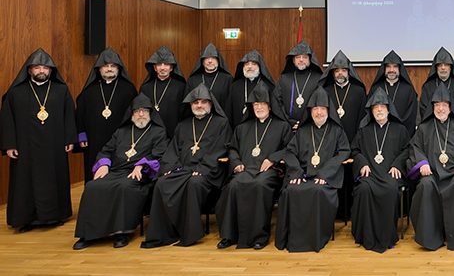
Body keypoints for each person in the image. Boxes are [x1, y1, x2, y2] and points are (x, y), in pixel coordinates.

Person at [73, 94, 169, 249]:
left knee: (125, 186)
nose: (141, 114)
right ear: (131, 113)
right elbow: (106, 150)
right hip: (116, 170)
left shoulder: (158, 132)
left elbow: (160, 155)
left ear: (151, 113)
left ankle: (122, 233)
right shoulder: (122, 131)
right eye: (137, 111)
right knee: (92, 187)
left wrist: (141, 165)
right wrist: (103, 164)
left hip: (140, 173)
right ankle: (88, 234)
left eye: (144, 111)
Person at [141, 84, 231, 248]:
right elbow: (173, 150)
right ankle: (164, 233)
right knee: (161, 183)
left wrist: (202, 169)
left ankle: (190, 233)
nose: (199, 105)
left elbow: (221, 149)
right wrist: (170, 167)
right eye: (195, 102)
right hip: (182, 170)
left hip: (208, 172)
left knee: (194, 184)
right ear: (190, 105)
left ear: (210, 104)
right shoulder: (183, 125)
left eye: (203, 102)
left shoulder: (221, 123)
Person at [0, 48, 77, 232]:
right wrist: (9, 144)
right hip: (25, 148)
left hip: (54, 146)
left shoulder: (61, 90)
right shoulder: (16, 92)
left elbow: (69, 116)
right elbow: (7, 120)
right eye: (37, 67)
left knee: (54, 179)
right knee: (25, 182)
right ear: (29, 70)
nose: (42, 71)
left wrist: (69, 139)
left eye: (45, 67)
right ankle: (24, 219)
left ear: (51, 70)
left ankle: (54, 216)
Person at [216, 81, 291, 249]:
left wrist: (272, 158)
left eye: (262, 104)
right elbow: (232, 149)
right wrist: (236, 163)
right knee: (233, 186)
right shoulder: (242, 128)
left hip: (270, 172)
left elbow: (291, 149)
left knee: (259, 185)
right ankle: (229, 235)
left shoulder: (282, 126)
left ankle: (259, 237)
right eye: (255, 104)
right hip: (245, 169)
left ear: (270, 106)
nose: (259, 108)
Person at [408, 84, 454, 251]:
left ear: (450, 107)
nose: (440, 108)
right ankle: (431, 237)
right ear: (432, 107)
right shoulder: (424, 128)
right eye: (437, 105)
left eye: (444, 105)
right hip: (432, 174)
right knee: (425, 186)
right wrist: (423, 163)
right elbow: (415, 148)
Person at [275, 87, 351, 252]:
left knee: (318, 190)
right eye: (315, 109)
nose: (318, 112)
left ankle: (315, 238)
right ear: (310, 111)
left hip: (326, 178)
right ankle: (292, 239)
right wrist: (296, 172)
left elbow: (345, 152)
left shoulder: (337, 131)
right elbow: (289, 152)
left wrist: (325, 174)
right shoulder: (302, 131)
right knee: (291, 190)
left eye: (322, 109)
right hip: (303, 175)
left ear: (328, 111)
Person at [350, 88, 410, 253]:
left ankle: (387, 234)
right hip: (370, 173)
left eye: (382, 107)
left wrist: (398, 164)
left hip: (390, 173)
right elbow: (354, 150)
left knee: (391, 189)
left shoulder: (400, 129)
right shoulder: (364, 130)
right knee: (363, 189)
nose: (379, 110)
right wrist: (362, 163)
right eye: (376, 108)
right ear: (371, 111)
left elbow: (407, 150)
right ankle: (365, 234)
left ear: (389, 110)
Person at [76, 48, 138, 183]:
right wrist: (81, 134)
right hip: (93, 140)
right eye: (105, 66)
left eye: (113, 66)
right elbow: (80, 112)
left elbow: (135, 115)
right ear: (99, 69)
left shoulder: (128, 89)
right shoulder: (89, 90)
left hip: (120, 140)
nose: (109, 69)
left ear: (118, 69)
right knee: (93, 173)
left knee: (117, 175)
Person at [319, 50, 367, 220]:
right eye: (337, 70)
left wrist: (355, 141)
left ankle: (349, 212)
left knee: (350, 178)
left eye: (343, 70)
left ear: (349, 71)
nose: (340, 73)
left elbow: (362, 119)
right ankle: (334, 213)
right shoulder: (324, 90)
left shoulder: (358, 91)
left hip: (353, 139)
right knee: (333, 173)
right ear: (332, 72)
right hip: (331, 144)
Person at [139, 46, 187, 139]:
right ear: (154, 68)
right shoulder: (146, 88)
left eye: (166, 64)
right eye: (159, 64)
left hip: (174, 133)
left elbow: (184, 113)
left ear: (171, 68)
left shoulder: (180, 87)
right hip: (150, 133)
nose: (162, 67)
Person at [274, 41, 323, 130]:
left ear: (310, 60)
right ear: (293, 60)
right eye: (297, 57)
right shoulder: (284, 78)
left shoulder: (318, 79)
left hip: (311, 126)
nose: (301, 60)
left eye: (304, 57)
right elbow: (277, 101)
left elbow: (321, 103)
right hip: (287, 126)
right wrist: (288, 120)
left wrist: (305, 121)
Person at [370, 50, 418, 135]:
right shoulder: (376, 89)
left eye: (395, 66)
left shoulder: (408, 89)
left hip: (401, 134)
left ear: (400, 69)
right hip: (379, 132)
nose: (391, 70)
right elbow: (370, 113)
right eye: (388, 66)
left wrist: (401, 131)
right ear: (384, 69)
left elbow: (411, 116)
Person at [227, 49, 275, 127]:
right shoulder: (235, 86)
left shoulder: (268, 86)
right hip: (240, 128)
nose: (249, 66)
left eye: (253, 64)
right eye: (246, 64)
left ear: (260, 67)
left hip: (262, 127)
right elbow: (229, 111)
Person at [186, 43, 234, 118]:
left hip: (220, 121)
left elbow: (231, 105)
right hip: (198, 119)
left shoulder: (228, 79)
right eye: (207, 58)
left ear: (218, 60)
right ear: (202, 61)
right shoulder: (193, 80)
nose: (210, 61)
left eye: (213, 58)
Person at [419, 47, 454, 119]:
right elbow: (423, 109)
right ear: (436, 68)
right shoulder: (428, 86)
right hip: (433, 125)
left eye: (446, 65)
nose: (443, 68)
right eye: (440, 65)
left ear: (450, 67)